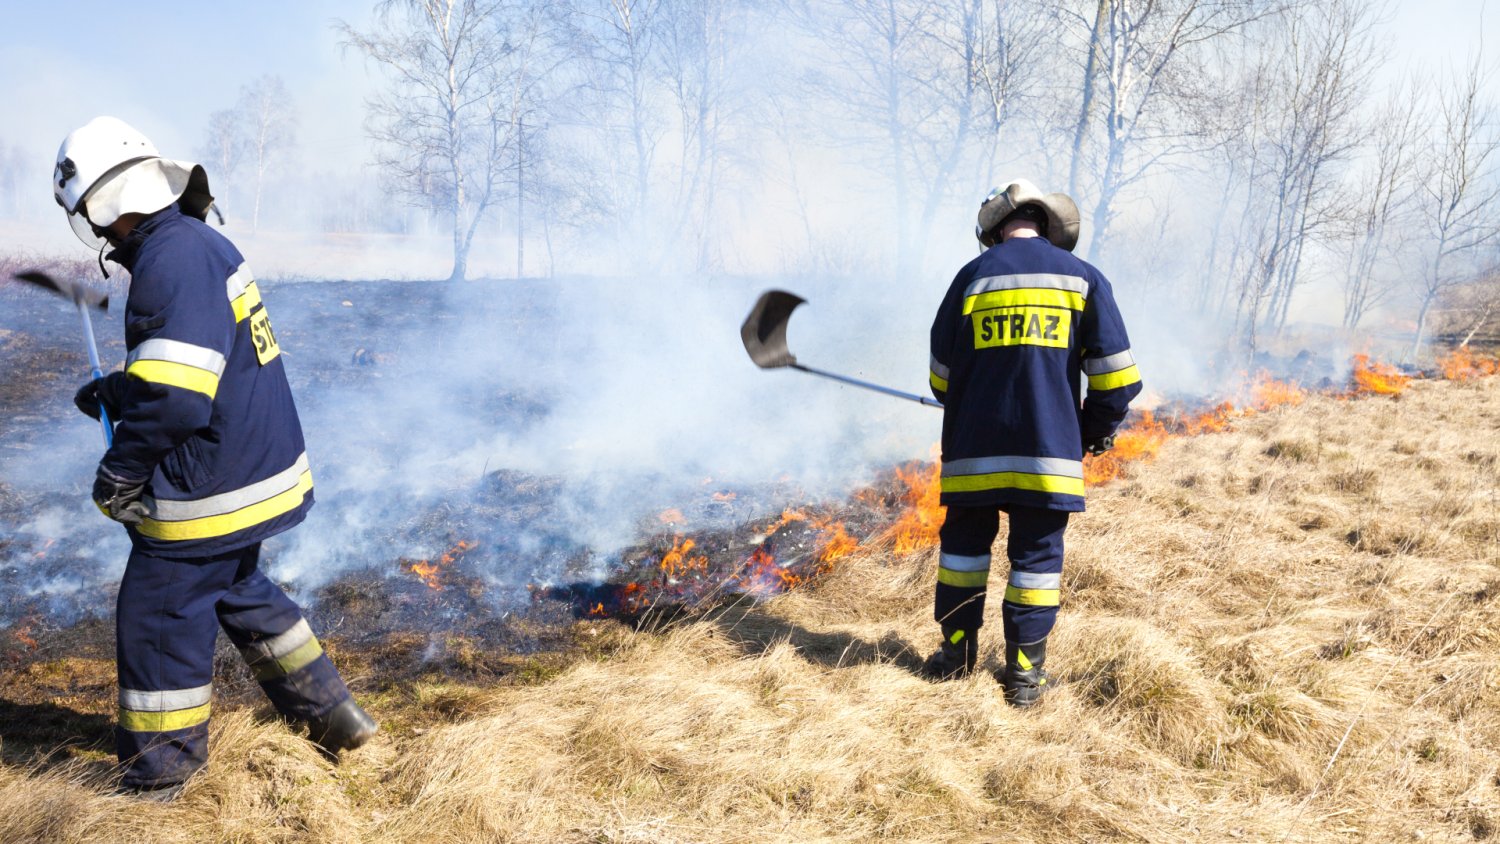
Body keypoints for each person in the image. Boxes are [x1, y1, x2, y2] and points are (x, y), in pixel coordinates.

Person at [52, 116, 377, 795]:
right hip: (257, 470)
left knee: (160, 609)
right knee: (235, 586)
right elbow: (197, 367)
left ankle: (159, 780)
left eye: (91, 215)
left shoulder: (167, 264)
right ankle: (333, 718)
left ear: (109, 205)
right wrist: (120, 390)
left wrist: (123, 469)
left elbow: (178, 402)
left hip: (211, 486)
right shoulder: (200, 243)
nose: (100, 231)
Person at [924, 179, 1142, 706]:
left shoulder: (971, 278)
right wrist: (1091, 431)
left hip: (973, 453)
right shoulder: (1083, 279)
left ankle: (955, 657)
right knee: (1036, 564)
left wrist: (972, 398)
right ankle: (1024, 677)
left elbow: (940, 378)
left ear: (996, 228)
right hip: (1049, 455)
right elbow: (1115, 377)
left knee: (962, 555)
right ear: (1046, 225)